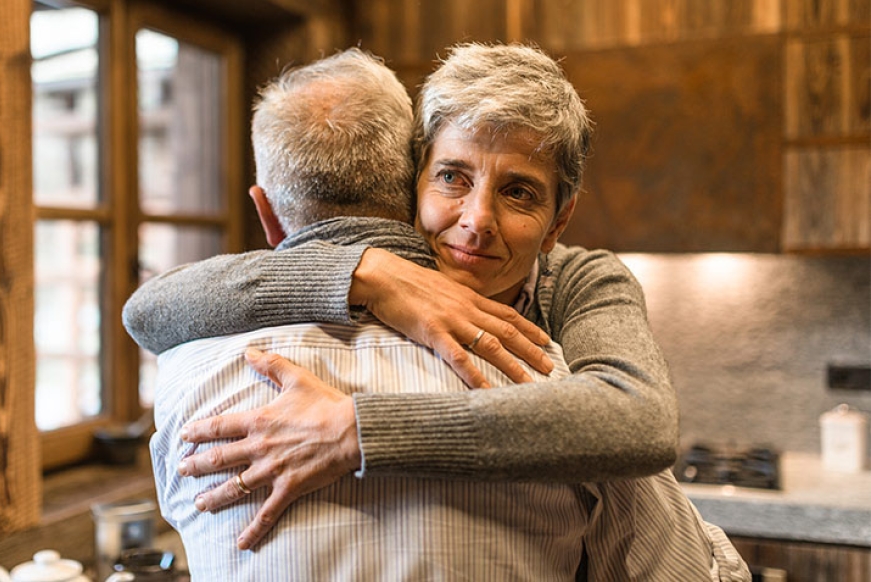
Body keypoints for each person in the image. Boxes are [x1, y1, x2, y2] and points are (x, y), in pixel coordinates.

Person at [130, 45, 750, 580]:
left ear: (560, 220)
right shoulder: (372, 280)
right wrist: (365, 275)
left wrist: (359, 429)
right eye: (453, 176)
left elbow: (637, 422)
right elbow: (150, 308)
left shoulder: (578, 284)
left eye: (519, 192)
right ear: (413, 181)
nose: (477, 222)